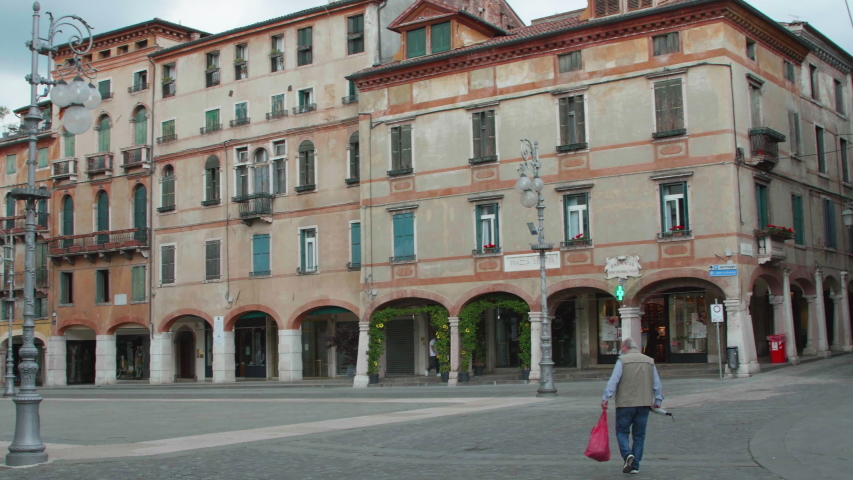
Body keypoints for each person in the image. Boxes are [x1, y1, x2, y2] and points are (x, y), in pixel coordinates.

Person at [601, 338, 664, 475]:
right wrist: (658, 399)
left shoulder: (622, 360)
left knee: (622, 432)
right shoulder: (649, 361)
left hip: (625, 403)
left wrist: (606, 397)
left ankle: (627, 454)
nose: (621, 349)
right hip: (644, 403)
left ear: (626, 347)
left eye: (621, 346)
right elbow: (657, 383)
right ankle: (635, 466)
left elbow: (614, 380)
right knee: (639, 435)